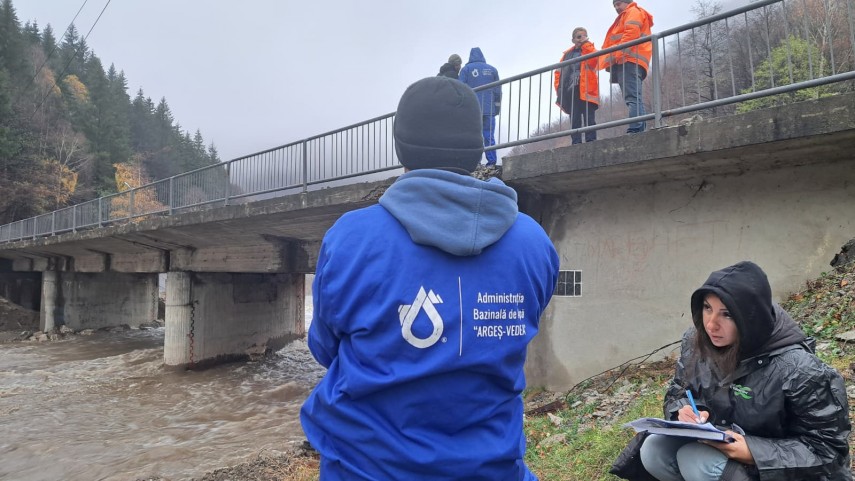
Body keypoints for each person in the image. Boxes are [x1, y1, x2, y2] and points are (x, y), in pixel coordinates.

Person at [300, 76, 559, 481]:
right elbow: (519, 335)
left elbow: (325, 347)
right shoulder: (532, 242)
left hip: (366, 469)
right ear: (476, 146)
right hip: (493, 469)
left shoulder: (350, 238)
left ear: (400, 146)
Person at [637, 261, 852, 481]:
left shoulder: (800, 369)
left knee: (696, 459)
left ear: (751, 318)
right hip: (722, 442)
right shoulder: (696, 342)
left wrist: (753, 452)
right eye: (707, 308)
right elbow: (679, 391)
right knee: (654, 450)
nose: (711, 325)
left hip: (784, 470)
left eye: (727, 314)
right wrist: (683, 411)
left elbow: (829, 451)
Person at [600, 0, 654, 134]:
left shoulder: (632, 12)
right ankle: (639, 129)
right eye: (614, 5)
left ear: (627, 2)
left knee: (632, 97)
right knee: (635, 97)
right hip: (631, 59)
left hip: (628, 59)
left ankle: (635, 129)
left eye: (618, 4)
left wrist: (617, 55)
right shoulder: (631, 13)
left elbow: (630, 34)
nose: (616, 7)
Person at [554, 27, 599, 144]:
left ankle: (591, 141)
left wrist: (586, 44)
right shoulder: (566, 55)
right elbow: (558, 72)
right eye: (579, 37)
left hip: (587, 88)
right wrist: (559, 89)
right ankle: (576, 142)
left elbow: (595, 61)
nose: (581, 39)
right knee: (575, 118)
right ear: (573, 40)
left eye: (584, 36)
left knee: (589, 117)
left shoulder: (589, 49)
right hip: (571, 90)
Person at [458, 47, 502, 166]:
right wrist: (497, 108)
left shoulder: (466, 70)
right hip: (489, 109)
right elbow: (498, 92)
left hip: (472, 110)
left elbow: (460, 89)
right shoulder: (492, 70)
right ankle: (491, 161)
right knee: (489, 136)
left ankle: (475, 162)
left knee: (474, 136)